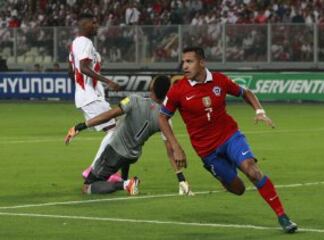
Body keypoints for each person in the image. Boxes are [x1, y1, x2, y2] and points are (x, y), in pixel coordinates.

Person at [159, 47, 298, 233]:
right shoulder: (178, 90)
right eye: (183, 62)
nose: (184, 66)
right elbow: (162, 117)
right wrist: (176, 147)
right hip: (207, 150)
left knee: (252, 171)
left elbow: (245, 92)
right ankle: (224, 176)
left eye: (189, 61)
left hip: (230, 136)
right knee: (238, 189)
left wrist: (260, 111)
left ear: (202, 62)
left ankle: (283, 216)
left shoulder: (220, 80)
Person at [65, 75, 193, 196]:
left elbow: (109, 115)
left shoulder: (134, 100)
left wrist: (81, 126)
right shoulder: (165, 119)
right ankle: (125, 180)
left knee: (88, 187)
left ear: (151, 88)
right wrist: (181, 179)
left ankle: (126, 184)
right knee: (126, 153)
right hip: (133, 155)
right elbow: (170, 150)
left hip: (115, 151)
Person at [68, 13, 122, 183]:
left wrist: (83, 88)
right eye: (94, 22)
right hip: (89, 96)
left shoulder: (76, 44)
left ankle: (101, 169)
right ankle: (95, 169)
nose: (97, 26)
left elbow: (72, 71)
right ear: (84, 25)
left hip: (88, 95)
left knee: (115, 130)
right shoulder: (84, 42)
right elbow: (83, 68)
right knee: (115, 131)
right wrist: (107, 82)